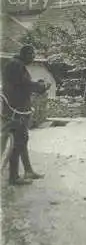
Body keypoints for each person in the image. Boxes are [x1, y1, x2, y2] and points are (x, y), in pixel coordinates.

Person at [1, 45, 50, 185]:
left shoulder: (16, 64)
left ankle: (27, 170)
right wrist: (41, 87)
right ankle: (13, 177)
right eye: (31, 54)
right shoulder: (15, 65)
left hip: (16, 109)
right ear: (24, 53)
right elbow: (25, 84)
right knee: (17, 142)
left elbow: (23, 84)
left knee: (22, 140)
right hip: (15, 111)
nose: (33, 57)